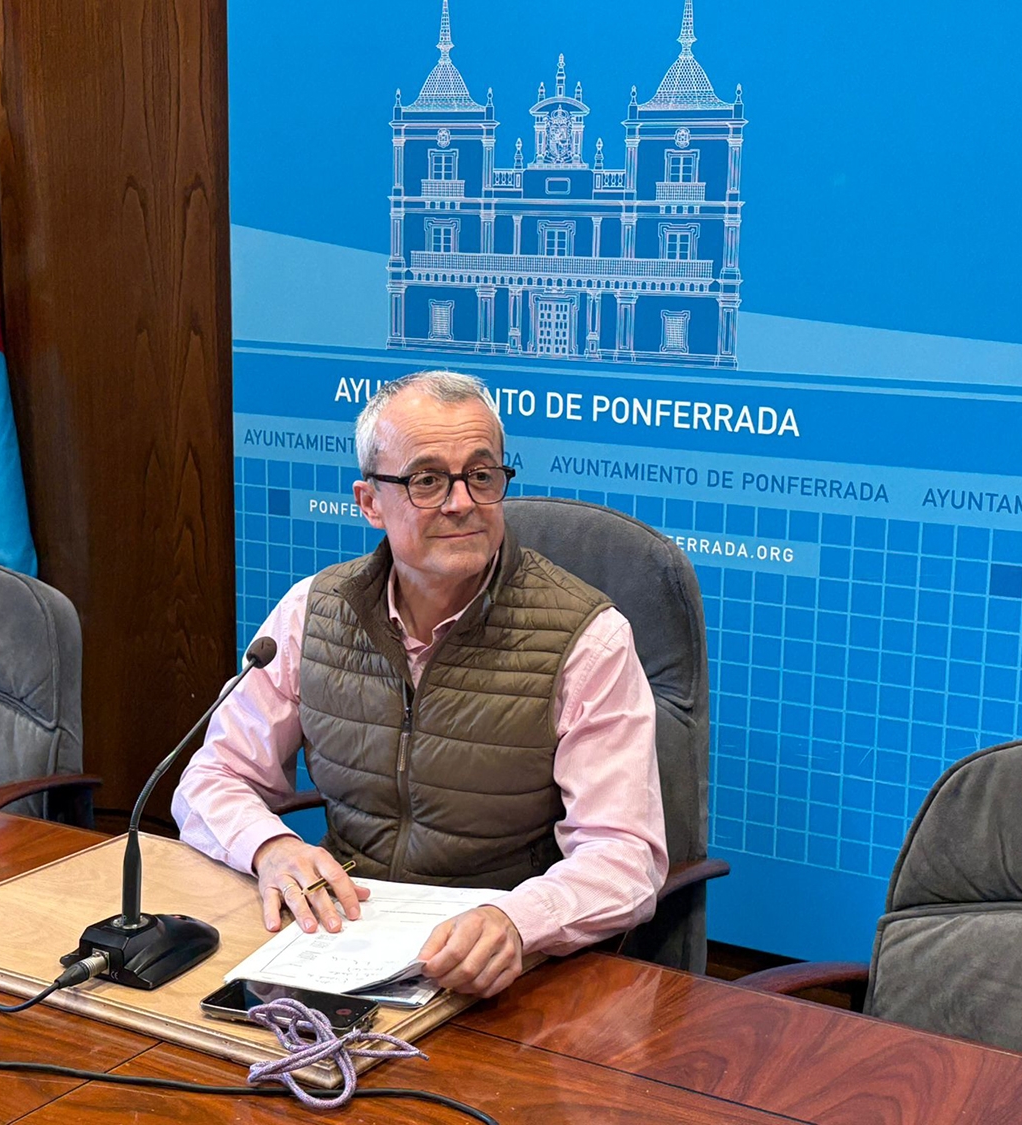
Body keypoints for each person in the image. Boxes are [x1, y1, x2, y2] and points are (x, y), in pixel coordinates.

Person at [172, 370, 667, 998]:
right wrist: (269, 846)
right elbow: (213, 777)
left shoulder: (587, 639)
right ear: (370, 502)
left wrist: (517, 920)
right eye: (428, 480)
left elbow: (626, 858)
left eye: (481, 476)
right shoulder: (311, 613)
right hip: (341, 943)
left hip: (505, 971)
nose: (460, 502)